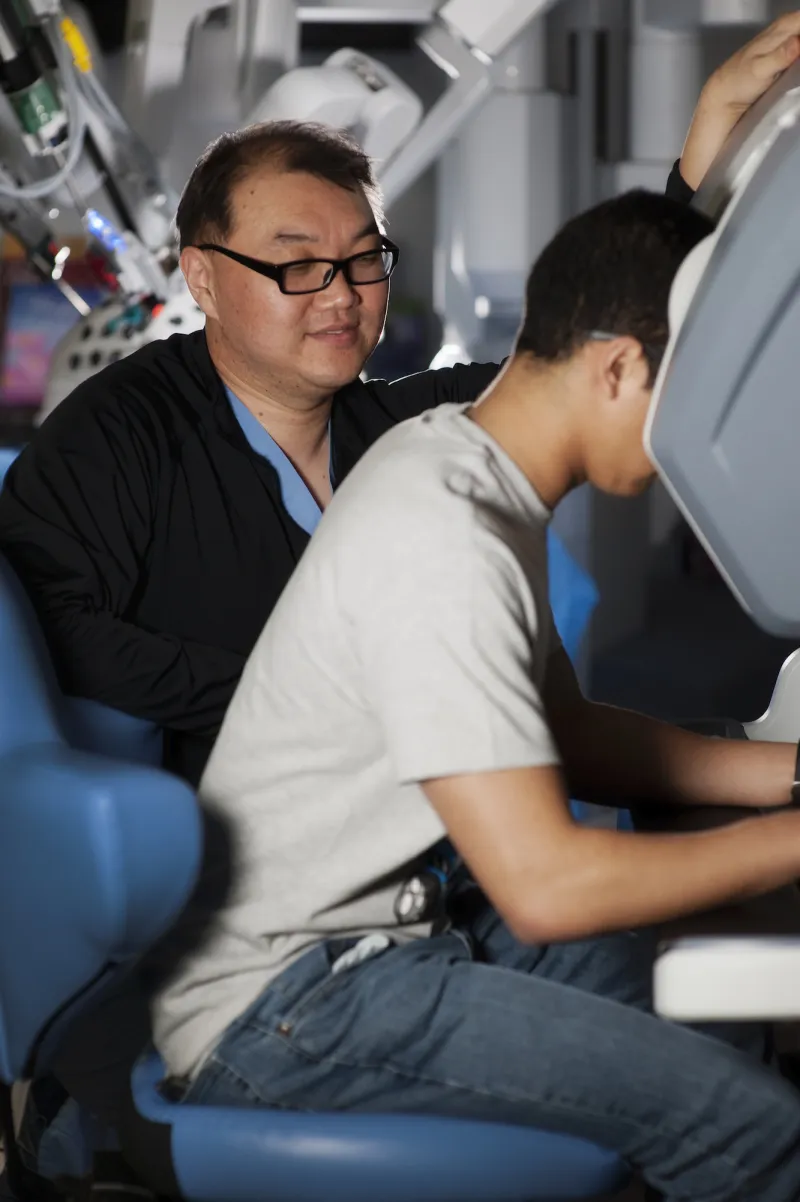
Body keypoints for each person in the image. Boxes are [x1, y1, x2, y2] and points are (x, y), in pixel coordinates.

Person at [148, 188, 800, 1202]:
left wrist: (788, 775)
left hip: (390, 938)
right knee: (754, 1127)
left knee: (686, 994)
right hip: (284, 1008)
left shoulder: (471, 470)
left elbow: (567, 736)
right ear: (618, 366)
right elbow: (544, 887)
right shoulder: (443, 533)